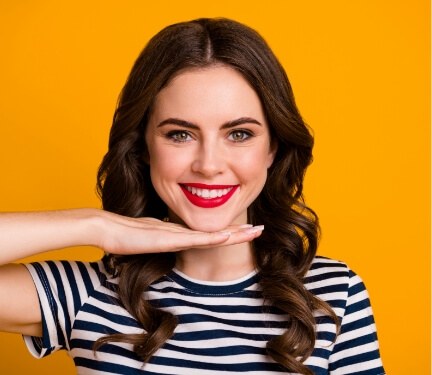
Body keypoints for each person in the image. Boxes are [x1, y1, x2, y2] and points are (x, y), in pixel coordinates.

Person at [0, 18, 385, 375]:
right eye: (179, 134)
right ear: (144, 148)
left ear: (273, 149)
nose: (209, 164)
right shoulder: (90, 294)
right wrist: (97, 224)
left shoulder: (333, 292)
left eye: (239, 134)